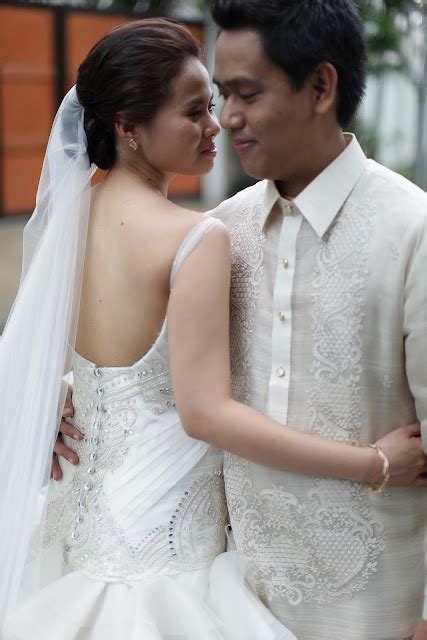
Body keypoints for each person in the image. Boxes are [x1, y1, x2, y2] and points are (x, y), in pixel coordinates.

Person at [0, 15, 424, 640]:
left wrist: (71, 392)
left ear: (321, 88)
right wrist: (374, 463)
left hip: (87, 546)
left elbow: (117, 361)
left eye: (232, 99)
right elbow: (200, 409)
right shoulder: (208, 231)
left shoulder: (74, 219)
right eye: (199, 108)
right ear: (129, 129)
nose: (219, 123)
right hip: (184, 571)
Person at [206, 1, 427, 639]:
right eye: (223, 95)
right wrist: (64, 404)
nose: (229, 118)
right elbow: (172, 386)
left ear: (321, 87)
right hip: (235, 605)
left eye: (247, 93)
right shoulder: (222, 232)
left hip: (381, 610)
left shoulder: (410, 229)